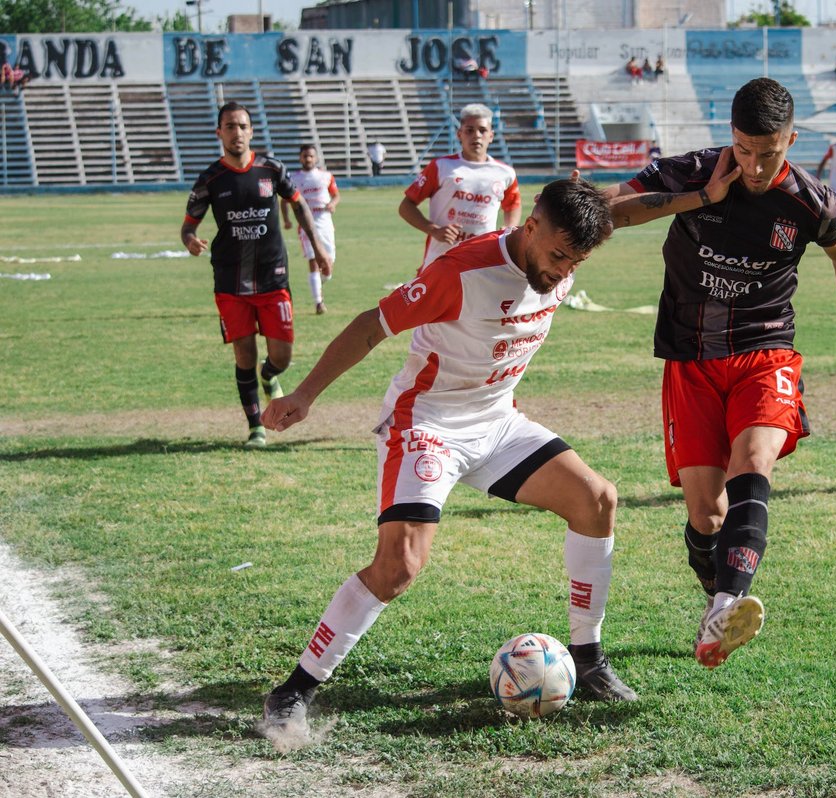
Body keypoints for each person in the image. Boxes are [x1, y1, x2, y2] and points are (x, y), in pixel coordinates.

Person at [259, 179, 637, 737]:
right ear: (530, 226)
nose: (562, 271)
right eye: (557, 256)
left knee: (596, 499)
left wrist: (711, 189)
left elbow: (639, 206)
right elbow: (371, 326)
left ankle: (588, 657)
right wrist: (304, 396)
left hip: (498, 422)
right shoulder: (460, 273)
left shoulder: (562, 257)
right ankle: (292, 691)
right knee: (399, 567)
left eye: (575, 261)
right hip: (428, 423)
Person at [601, 77, 836, 669]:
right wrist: (700, 199)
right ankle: (716, 602)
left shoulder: (811, 200)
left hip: (766, 352)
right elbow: (610, 211)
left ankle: (729, 598)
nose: (755, 167)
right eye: (746, 149)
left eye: (770, 152)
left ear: (791, 140)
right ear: (731, 135)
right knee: (705, 516)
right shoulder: (693, 171)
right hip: (690, 358)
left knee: (751, 466)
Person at [181, 102, 331, 449]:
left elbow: (298, 204)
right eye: (230, 126)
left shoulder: (271, 168)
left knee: (282, 357)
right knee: (243, 354)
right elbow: (188, 226)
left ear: (251, 131)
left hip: (272, 277)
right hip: (230, 281)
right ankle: (255, 427)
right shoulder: (210, 179)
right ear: (219, 132)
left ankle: (269, 377)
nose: (237, 133)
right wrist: (190, 240)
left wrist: (319, 249)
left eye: (243, 126)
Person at [399, 103, 520, 274]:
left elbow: (513, 205)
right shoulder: (441, 166)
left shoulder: (505, 173)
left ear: (491, 136)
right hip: (439, 261)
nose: (476, 136)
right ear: (459, 134)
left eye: (482, 130)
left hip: (482, 262)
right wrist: (433, 230)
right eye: (469, 130)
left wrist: (508, 230)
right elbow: (406, 206)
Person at [281, 144, 339, 315]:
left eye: (311, 156)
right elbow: (284, 200)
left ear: (316, 158)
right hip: (306, 223)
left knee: (328, 266)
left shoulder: (326, 176)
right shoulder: (293, 178)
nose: (308, 159)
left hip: (325, 222)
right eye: (305, 156)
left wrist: (332, 204)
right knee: (313, 261)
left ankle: (319, 285)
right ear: (300, 158)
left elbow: (336, 194)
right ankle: (318, 302)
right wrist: (286, 220)